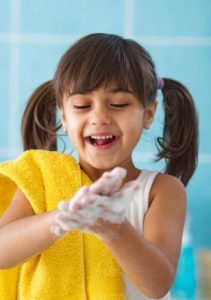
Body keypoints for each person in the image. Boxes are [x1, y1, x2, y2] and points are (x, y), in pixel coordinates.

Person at [0, 33, 198, 300]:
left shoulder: (160, 191)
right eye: (82, 105)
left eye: (118, 104)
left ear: (149, 113)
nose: (99, 117)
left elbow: (157, 284)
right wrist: (61, 219)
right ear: (64, 117)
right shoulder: (44, 183)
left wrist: (112, 226)